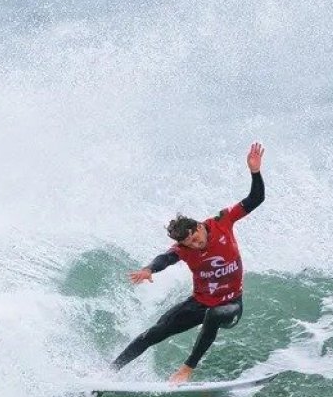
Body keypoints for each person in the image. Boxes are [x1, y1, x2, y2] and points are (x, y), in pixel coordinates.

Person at [111, 142, 265, 384]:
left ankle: (187, 369)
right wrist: (149, 269)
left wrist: (255, 172)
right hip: (199, 302)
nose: (195, 245)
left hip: (231, 305)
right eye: (189, 244)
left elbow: (256, 198)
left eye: (195, 239)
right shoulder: (183, 248)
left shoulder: (221, 222)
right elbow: (166, 258)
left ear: (199, 227)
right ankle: (108, 372)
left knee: (214, 314)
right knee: (155, 332)